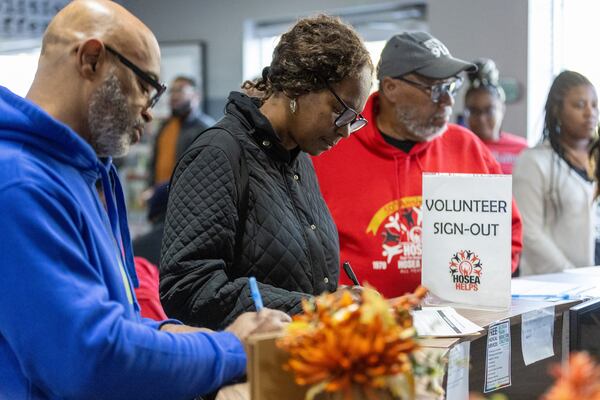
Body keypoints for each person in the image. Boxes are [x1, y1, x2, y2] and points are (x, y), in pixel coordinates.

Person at [0, 1, 289, 399]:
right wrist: (233, 348)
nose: (150, 114)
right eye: (147, 88)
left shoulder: (76, 173)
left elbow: (112, 318)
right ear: (91, 60)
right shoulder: (18, 183)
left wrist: (171, 334)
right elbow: (90, 360)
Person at [160, 15, 373, 330]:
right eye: (340, 111)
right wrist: (314, 308)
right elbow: (188, 287)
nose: (345, 132)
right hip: (247, 368)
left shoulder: (298, 159)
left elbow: (293, 280)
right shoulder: (218, 153)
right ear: (300, 86)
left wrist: (336, 299)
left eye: (355, 119)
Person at [312, 32, 523, 299]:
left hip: (455, 321)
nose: (448, 102)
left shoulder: (468, 149)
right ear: (390, 88)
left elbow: (508, 232)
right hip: (360, 326)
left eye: (452, 88)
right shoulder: (330, 147)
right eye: (436, 90)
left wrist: (477, 288)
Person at [513, 71, 600, 275]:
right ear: (557, 111)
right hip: (555, 289)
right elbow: (529, 232)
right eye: (579, 105)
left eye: (594, 104)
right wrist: (571, 275)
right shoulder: (534, 162)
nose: (590, 113)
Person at [464, 58, 528, 174]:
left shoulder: (522, 150)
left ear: (502, 109)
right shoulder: (458, 148)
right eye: (474, 111)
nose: (481, 119)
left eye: (489, 111)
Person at [149, 75, 215, 186]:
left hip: (185, 200)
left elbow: (202, 174)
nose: (174, 96)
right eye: (172, 91)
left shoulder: (206, 129)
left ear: (196, 96)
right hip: (158, 198)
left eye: (180, 91)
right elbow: (153, 164)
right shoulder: (165, 126)